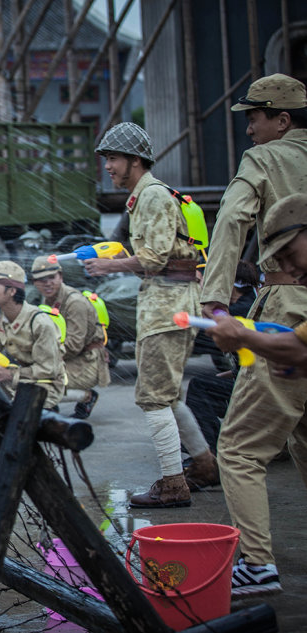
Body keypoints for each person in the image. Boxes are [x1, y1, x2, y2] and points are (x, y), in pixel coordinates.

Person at [198, 75, 307, 597]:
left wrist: (215, 302)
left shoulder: (265, 160)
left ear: (282, 121)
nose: (248, 130)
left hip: (287, 309)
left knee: (239, 448)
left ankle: (258, 565)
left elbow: (231, 221)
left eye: (255, 118)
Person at [83, 122, 216, 509]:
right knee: (169, 395)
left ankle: (174, 484)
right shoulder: (146, 196)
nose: (108, 166)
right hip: (168, 301)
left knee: (153, 397)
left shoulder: (153, 196)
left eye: (113, 158)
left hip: (167, 306)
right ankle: (205, 466)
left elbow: (156, 258)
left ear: (135, 160)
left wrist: (108, 267)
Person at [184, 261, 260, 455]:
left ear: (230, 284)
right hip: (248, 378)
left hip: (258, 386)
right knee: (206, 388)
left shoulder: (241, 310)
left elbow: (199, 333)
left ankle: (210, 454)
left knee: (199, 388)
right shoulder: (245, 303)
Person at [29, 256, 108, 418]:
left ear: (61, 277)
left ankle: (85, 397)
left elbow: (74, 344)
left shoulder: (74, 302)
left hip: (86, 363)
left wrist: (42, 358)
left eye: (52, 277)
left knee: (40, 382)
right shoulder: (48, 299)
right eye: (41, 280)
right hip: (69, 359)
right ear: (34, 282)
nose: (47, 283)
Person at [0, 261, 65, 411]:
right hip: (18, 379)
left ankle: (47, 413)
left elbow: (48, 369)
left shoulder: (40, 323)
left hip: (45, 383)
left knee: (17, 420)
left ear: (12, 291)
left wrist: (10, 374)